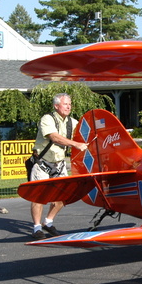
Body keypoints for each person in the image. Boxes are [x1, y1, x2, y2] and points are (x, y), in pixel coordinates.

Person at [28, 93, 89, 239]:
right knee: (39, 196)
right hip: (42, 163)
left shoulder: (72, 122)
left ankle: (48, 222)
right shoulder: (47, 119)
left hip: (59, 164)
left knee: (63, 196)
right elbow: (54, 137)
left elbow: (87, 132)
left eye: (70, 104)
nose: (68, 107)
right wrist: (76, 144)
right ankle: (37, 228)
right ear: (56, 106)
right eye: (65, 104)